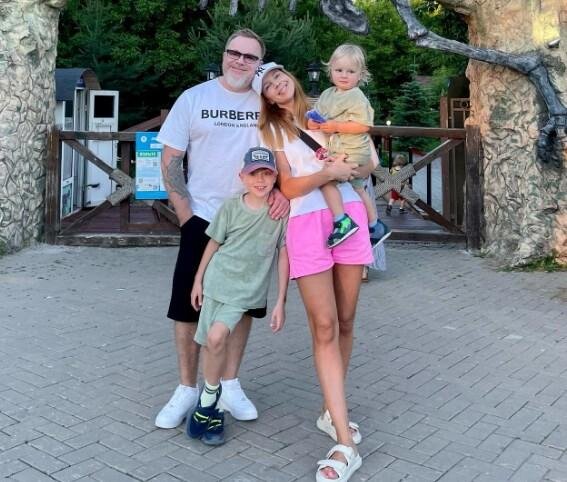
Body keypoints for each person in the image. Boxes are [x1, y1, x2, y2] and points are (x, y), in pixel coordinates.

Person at [155, 29, 288, 430]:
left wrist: (282, 193)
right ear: (224, 54)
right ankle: (186, 388)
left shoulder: (267, 103)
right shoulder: (194, 98)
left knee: (242, 303)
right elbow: (171, 157)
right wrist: (185, 214)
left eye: (250, 57)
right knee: (187, 305)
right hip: (204, 215)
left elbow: (287, 153)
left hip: (253, 217)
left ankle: (229, 384)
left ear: (260, 64)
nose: (240, 61)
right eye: (235, 53)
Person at [256, 62, 373, 482]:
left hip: (349, 214)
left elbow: (367, 161)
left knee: (346, 321)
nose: (278, 84)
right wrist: (326, 173)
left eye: (280, 76)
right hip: (307, 222)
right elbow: (287, 186)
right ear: (266, 97)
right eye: (269, 84)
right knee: (324, 326)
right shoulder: (272, 131)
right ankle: (345, 443)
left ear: (291, 78)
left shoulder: (328, 108)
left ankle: (330, 410)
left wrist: (350, 168)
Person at [187, 146, 288, 446]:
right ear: (242, 176)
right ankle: (214, 407)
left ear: (276, 177)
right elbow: (214, 243)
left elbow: (284, 254)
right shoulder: (231, 206)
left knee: (217, 337)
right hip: (217, 281)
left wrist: (281, 300)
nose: (260, 180)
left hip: (246, 291)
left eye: (267, 174)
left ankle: (208, 399)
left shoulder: (280, 212)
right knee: (211, 344)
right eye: (254, 174)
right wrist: (198, 280)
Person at [307, 44, 382, 249]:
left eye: (350, 71)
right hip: (340, 148)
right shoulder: (327, 94)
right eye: (339, 70)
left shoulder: (356, 96)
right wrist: (313, 123)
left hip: (353, 149)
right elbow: (317, 116)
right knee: (358, 187)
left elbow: (364, 125)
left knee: (326, 180)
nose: (344, 75)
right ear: (330, 70)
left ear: (360, 75)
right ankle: (375, 225)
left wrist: (336, 126)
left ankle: (342, 221)